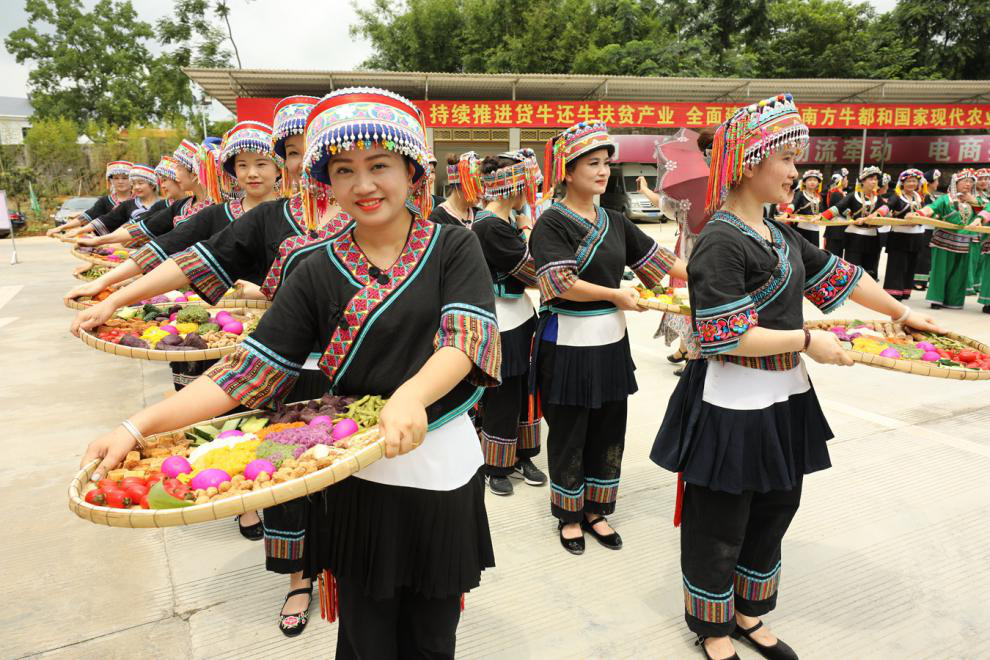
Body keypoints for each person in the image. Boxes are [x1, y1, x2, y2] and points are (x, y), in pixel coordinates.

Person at [80, 86, 500, 658]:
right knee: (365, 635)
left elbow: (465, 339)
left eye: (380, 165)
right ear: (325, 180)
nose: (364, 184)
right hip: (354, 472)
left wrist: (409, 396)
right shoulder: (314, 265)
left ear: (412, 170)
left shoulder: (454, 246)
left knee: (432, 637)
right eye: (344, 170)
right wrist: (136, 426)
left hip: (442, 468)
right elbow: (244, 371)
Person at [650, 93, 943, 660]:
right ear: (749, 161)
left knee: (776, 507)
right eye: (785, 159)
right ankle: (712, 627)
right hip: (731, 403)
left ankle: (749, 612)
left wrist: (903, 314)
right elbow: (724, 336)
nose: (796, 172)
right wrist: (809, 340)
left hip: (785, 397)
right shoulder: (720, 241)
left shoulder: (780, 236)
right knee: (721, 520)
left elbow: (844, 276)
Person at [530, 120, 688, 555]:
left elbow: (659, 260)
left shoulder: (615, 221)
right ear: (567, 170)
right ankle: (568, 514)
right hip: (567, 344)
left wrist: (716, 277)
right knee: (569, 429)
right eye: (592, 163)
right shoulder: (551, 223)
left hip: (610, 343)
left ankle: (597, 509)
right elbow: (559, 283)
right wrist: (616, 294)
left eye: (605, 163)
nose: (602, 171)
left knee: (609, 427)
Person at [66, 123, 281, 307]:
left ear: (279, 168)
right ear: (233, 171)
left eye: (261, 164)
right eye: (242, 165)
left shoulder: (295, 215)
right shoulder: (215, 214)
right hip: (227, 315)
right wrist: (105, 282)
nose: (252, 173)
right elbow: (165, 246)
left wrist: (265, 290)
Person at [471, 149, 547, 496]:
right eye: (526, 187)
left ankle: (521, 454)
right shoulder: (490, 228)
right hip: (502, 321)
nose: (528, 194)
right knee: (504, 394)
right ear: (512, 188)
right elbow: (531, 272)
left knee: (524, 392)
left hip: (519, 317)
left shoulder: (499, 223)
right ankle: (496, 464)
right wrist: (529, 228)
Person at [74, 140, 218, 249]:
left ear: (194, 174)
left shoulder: (217, 208)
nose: (164, 185)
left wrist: (102, 243)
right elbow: (144, 226)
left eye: (178, 169)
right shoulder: (180, 206)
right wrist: (100, 241)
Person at [919, 168, 981, 310]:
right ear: (956, 182)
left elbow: (986, 211)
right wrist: (919, 213)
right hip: (943, 241)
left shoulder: (976, 202)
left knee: (959, 273)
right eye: (965, 181)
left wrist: (974, 202)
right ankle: (936, 299)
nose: (968, 184)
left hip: (964, 242)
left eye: (971, 182)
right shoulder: (945, 199)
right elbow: (931, 208)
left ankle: (954, 301)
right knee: (940, 271)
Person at [819, 166, 889, 280]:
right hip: (854, 236)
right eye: (871, 179)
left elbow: (887, 208)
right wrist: (822, 217)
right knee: (853, 268)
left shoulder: (878, 199)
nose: (874, 181)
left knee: (869, 268)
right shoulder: (854, 196)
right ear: (863, 181)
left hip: (872, 236)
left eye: (876, 179)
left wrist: (878, 215)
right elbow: (838, 208)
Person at [63, 164, 164, 239]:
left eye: (141, 183)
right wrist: (73, 230)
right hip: (122, 245)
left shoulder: (165, 205)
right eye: (134, 183)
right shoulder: (126, 205)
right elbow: (104, 220)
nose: (137, 187)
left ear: (152, 185)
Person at [48, 160, 132, 237]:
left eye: (124, 178)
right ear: (110, 181)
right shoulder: (104, 202)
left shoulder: (139, 201)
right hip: (106, 246)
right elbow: (86, 217)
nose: (120, 181)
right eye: (116, 178)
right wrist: (61, 228)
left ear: (132, 180)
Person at [882, 169, 927, 300]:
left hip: (917, 236)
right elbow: (887, 208)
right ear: (902, 183)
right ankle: (894, 292)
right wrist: (878, 214)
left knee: (911, 265)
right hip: (899, 236)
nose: (912, 183)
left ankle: (905, 290)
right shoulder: (897, 197)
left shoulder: (919, 197)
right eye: (908, 181)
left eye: (914, 181)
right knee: (897, 264)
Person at [429, 152, 481, 226]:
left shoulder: (480, 215)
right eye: (476, 184)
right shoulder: (437, 218)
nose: (481, 192)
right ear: (462, 183)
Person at [913, 168, 941, 290]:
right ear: (930, 183)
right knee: (922, 255)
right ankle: (918, 280)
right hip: (924, 228)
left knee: (927, 255)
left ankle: (924, 279)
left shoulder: (932, 197)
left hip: (932, 229)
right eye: (936, 181)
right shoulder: (923, 197)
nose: (938, 183)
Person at [781, 169, 823, 246]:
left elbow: (822, 212)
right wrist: (787, 213)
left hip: (815, 229)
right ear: (804, 182)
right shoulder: (800, 194)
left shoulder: (819, 197)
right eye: (810, 180)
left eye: (815, 180)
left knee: (814, 252)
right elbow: (793, 204)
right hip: (801, 228)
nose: (812, 182)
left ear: (818, 183)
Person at [822, 168, 848, 257]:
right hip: (835, 230)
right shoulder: (837, 193)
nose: (847, 181)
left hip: (837, 229)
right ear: (842, 180)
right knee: (834, 256)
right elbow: (843, 211)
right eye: (846, 178)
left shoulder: (838, 192)